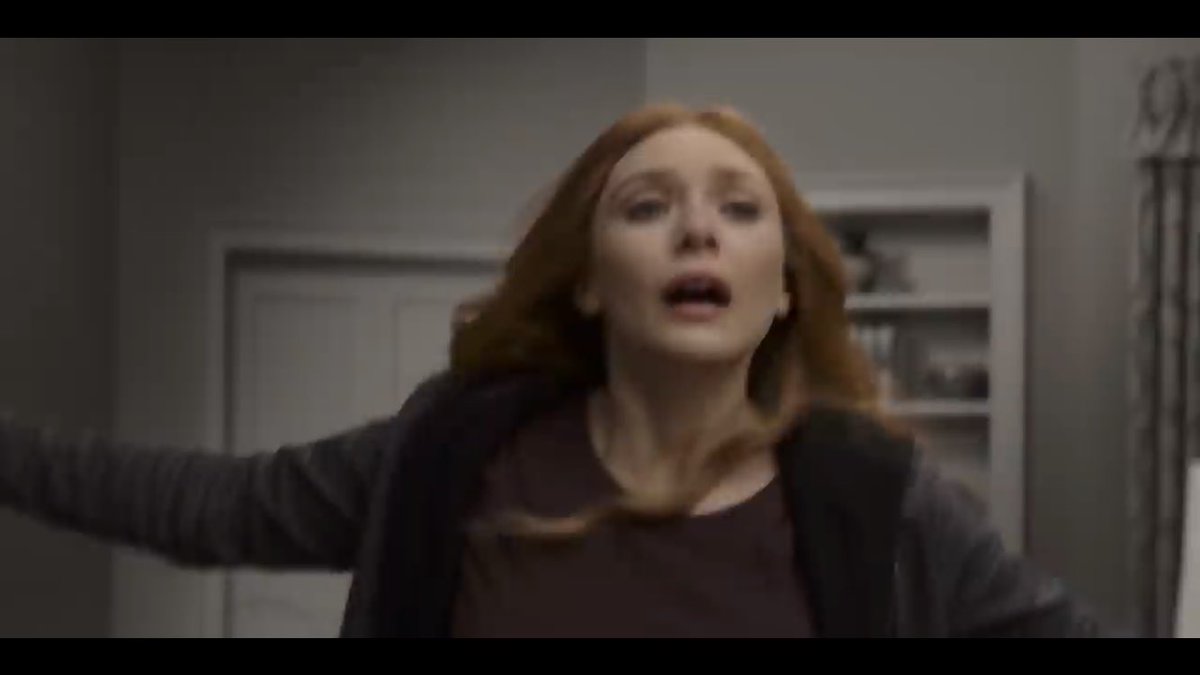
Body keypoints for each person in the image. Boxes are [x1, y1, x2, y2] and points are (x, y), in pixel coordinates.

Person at [0, 103, 1106, 638]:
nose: (696, 230)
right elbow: (213, 508)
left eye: (738, 208)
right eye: (647, 206)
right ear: (587, 281)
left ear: (783, 291)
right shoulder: (451, 453)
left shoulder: (880, 501)